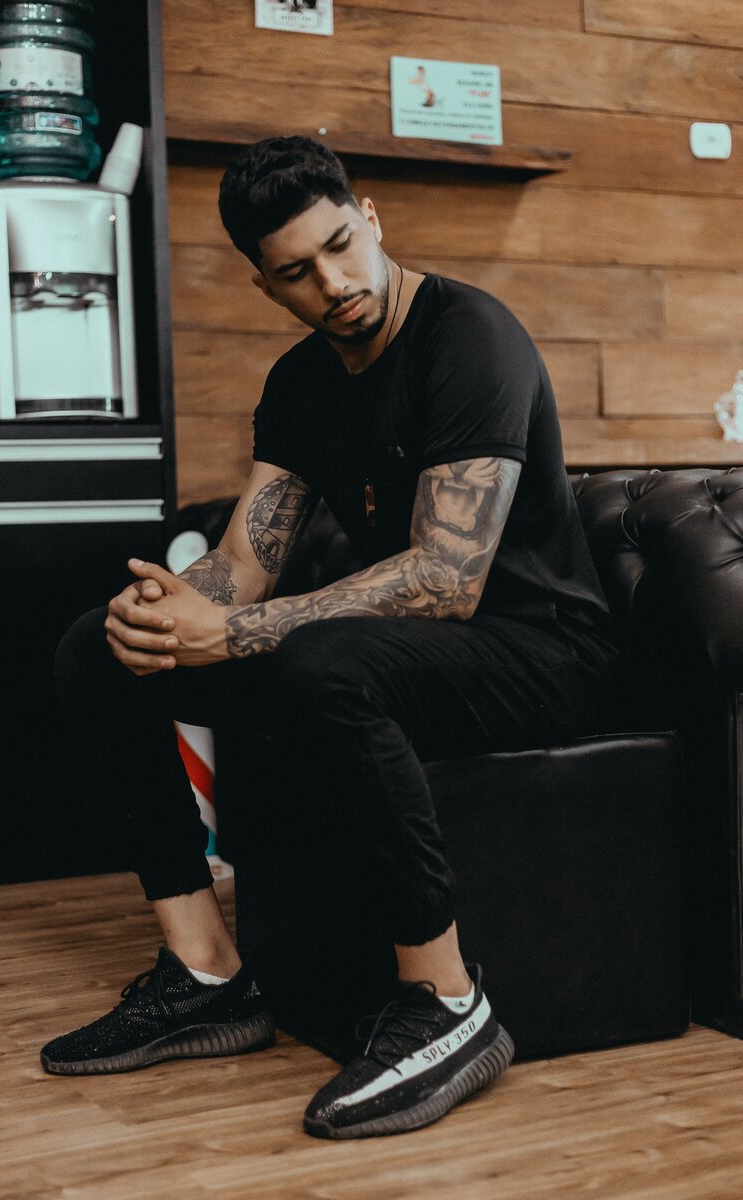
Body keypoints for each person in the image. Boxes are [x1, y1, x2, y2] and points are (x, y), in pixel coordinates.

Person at [40, 135, 617, 1139]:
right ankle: (207, 973)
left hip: (537, 647)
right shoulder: (301, 383)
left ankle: (447, 1003)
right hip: (405, 650)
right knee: (96, 651)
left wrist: (234, 631)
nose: (335, 283)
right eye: (297, 272)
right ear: (267, 285)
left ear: (370, 217)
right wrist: (166, 612)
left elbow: (446, 578)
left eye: (341, 246)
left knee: (321, 664)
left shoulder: (469, 337)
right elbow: (243, 563)